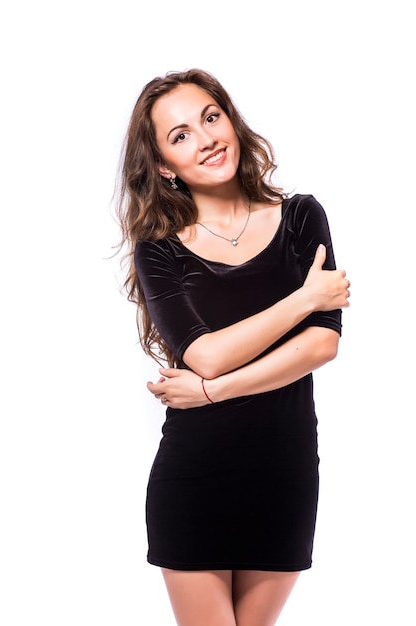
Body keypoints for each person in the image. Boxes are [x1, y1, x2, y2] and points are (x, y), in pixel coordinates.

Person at [116, 68, 350, 626]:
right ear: (165, 167)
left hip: (285, 476)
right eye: (180, 135)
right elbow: (206, 354)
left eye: (210, 117)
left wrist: (211, 392)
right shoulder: (159, 249)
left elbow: (322, 345)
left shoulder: (301, 217)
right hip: (195, 481)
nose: (205, 138)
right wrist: (303, 300)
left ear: (231, 120)